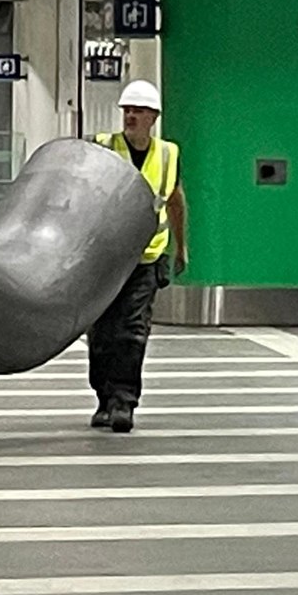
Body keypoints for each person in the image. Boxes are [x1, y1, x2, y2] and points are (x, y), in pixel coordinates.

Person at [88, 80, 188, 433]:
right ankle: (103, 396)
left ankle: (123, 401)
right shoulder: (104, 147)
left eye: (138, 111)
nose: (130, 116)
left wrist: (181, 246)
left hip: (146, 256)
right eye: (127, 110)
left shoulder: (168, 154)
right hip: (107, 256)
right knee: (102, 331)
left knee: (132, 330)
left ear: (153, 117)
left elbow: (175, 199)